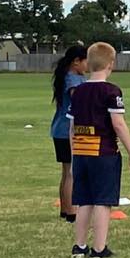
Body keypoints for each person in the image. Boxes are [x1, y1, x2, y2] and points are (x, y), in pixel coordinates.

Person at [67, 42, 130, 258]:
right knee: (102, 200)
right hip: (104, 153)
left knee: (84, 200)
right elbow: (118, 124)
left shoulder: (78, 92)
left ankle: (79, 246)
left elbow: (71, 127)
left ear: (88, 64)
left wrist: (73, 156)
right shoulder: (111, 91)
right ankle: (99, 248)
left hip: (81, 152)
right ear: (111, 64)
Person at [48, 44, 88, 221]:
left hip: (59, 130)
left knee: (66, 172)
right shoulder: (73, 79)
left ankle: (65, 209)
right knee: (72, 172)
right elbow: (78, 101)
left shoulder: (68, 76)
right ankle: (72, 212)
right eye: (86, 61)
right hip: (68, 131)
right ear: (76, 61)